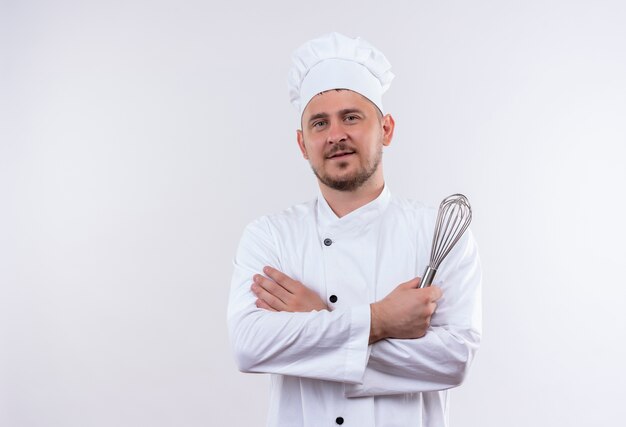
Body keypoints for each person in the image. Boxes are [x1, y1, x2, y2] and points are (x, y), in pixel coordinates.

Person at [227, 32, 482, 427]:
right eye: (319, 122)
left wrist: (317, 319)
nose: (336, 135)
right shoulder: (270, 236)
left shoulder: (438, 233)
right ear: (302, 143)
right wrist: (380, 320)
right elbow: (250, 346)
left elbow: (452, 361)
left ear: (387, 129)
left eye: (351, 117)